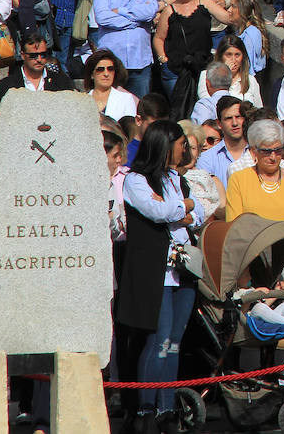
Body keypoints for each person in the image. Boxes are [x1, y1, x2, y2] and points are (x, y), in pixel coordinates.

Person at [116, 120, 205, 432]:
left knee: (174, 343)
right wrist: (183, 208)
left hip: (183, 271)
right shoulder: (136, 180)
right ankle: (146, 407)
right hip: (156, 272)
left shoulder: (175, 179)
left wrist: (184, 206)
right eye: (182, 143)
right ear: (166, 144)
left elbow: (204, 210)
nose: (186, 150)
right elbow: (159, 213)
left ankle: (166, 408)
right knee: (159, 341)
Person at [153, 0, 235, 118]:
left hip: (202, 66)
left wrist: (238, 6)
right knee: (180, 113)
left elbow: (226, 18)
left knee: (203, 110)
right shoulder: (169, 10)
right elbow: (159, 38)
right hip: (175, 69)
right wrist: (162, 58)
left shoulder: (203, 1)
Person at [93, 0, 159, 97]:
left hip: (140, 62)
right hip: (111, 64)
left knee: (139, 109)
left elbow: (149, 13)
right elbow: (103, 18)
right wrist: (137, 21)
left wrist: (119, 11)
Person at [225, 118, 284, 224]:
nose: (273, 157)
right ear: (254, 150)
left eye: (278, 150)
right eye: (266, 151)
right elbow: (234, 225)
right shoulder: (238, 180)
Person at [0, 31, 72, 103]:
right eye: (33, 56)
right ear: (23, 55)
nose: (39, 59)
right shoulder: (7, 85)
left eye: (43, 55)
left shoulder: (62, 82)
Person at [85, 50, 139, 120]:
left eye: (110, 69)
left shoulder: (126, 99)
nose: (106, 74)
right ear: (92, 74)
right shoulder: (83, 101)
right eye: (100, 69)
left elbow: (130, 128)